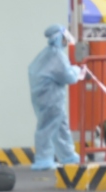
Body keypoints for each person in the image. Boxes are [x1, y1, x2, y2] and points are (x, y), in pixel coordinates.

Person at [28, 25, 84, 170]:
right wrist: (77, 71)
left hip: (47, 97)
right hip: (51, 98)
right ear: (61, 38)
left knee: (60, 126)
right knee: (47, 127)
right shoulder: (57, 55)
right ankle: (43, 159)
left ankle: (68, 156)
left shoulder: (45, 54)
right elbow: (68, 76)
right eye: (66, 39)